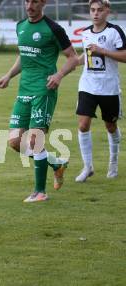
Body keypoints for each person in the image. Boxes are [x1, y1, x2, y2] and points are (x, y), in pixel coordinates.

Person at [0, 0, 79, 203]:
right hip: (24, 89)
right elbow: (24, 56)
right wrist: (8, 76)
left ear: (43, 3)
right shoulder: (20, 26)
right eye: (27, 1)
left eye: (34, 1)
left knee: (34, 140)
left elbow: (73, 58)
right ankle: (56, 164)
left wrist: (58, 75)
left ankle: (40, 192)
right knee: (15, 142)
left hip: (44, 90)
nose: (29, 5)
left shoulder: (54, 28)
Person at [75, 0, 126, 182]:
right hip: (87, 86)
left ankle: (113, 162)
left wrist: (103, 51)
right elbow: (86, 55)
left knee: (110, 126)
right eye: (92, 10)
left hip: (109, 88)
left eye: (99, 10)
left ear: (107, 11)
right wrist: (72, 63)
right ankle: (87, 167)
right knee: (83, 124)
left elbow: (125, 55)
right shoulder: (85, 33)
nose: (95, 13)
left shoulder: (115, 31)